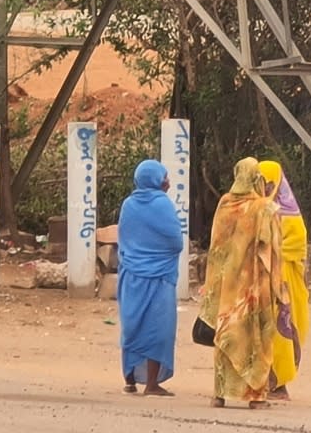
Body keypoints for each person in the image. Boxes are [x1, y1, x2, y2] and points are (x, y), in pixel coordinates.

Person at [198, 157, 285, 410]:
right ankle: (255, 396)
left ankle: (219, 395)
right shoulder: (264, 209)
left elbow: (216, 247)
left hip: (226, 286)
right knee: (256, 337)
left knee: (226, 335)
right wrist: (278, 286)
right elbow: (271, 249)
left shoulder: (224, 204)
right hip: (254, 288)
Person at [117, 159, 183, 397]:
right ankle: (152, 384)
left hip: (131, 274)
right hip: (159, 277)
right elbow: (176, 242)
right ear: (156, 179)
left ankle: (130, 380)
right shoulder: (162, 204)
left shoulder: (128, 204)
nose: (168, 181)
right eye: (164, 177)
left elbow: (123, 237)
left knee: (132, 325)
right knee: (158, 329)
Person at [258, 160, 309, 401]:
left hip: (285, 282)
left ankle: (279, 385)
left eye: (269, 182)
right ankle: (265, 380)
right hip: (263, 280)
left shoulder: (290, 215)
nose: (265, 187)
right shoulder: (259, 208)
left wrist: (271, 254)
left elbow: (296, 247)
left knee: (282, 332)